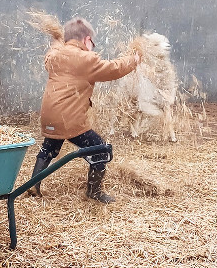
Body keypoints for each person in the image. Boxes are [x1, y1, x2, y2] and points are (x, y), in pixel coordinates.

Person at [29, 17, 140, 204]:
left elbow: (54, 48)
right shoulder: (86, 59)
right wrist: (134, 59)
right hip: (69, 119)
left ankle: (33, 184)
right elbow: (114, 68)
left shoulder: (56, 55)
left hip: (49, 117)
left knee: (49, 147)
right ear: (87, 40)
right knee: (101, 150)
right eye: (92, 43)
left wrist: (57, 37)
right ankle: (94, 192)